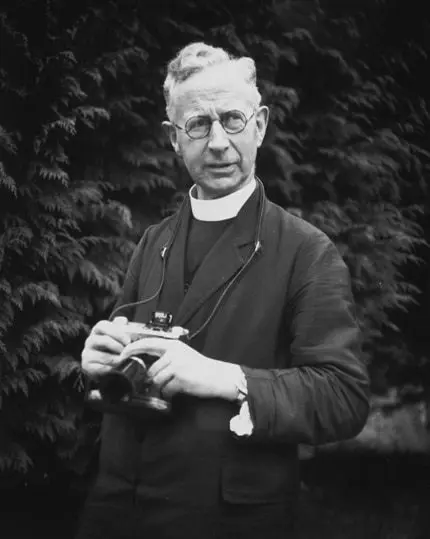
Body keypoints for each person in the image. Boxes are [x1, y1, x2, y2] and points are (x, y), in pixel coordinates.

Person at [76, 42, 370, 539]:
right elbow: (122, 382)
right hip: (116, 513)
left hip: (224, 520)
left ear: (260, 125)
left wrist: (222, 377)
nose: (217, 142)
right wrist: (98, 368)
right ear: (173, 138)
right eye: (197, 124)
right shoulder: (153, 241)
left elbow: (344, 397)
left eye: (232, 119)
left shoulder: (305, 250)